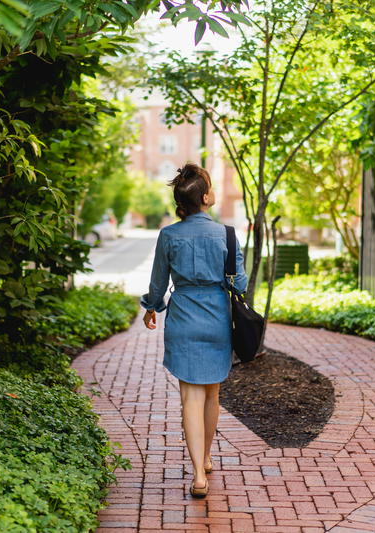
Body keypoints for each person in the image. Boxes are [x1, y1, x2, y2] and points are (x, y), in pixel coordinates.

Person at [140, 163, 248, 498]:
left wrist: (150, 308)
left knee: (190, 398)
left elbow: (158, 286)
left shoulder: (168, 235)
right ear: (204, 197)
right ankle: (205, 456)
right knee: (212, 394)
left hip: (183, 317)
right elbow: (240, 284)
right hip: (216, 318)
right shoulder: (226, 234)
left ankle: (198, 475)